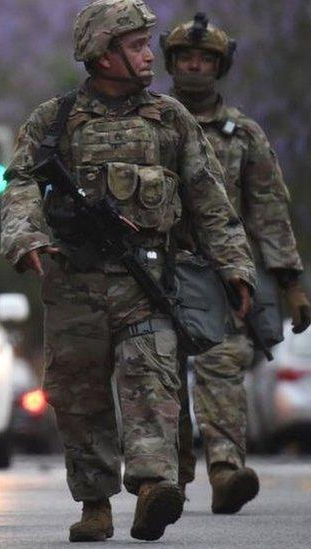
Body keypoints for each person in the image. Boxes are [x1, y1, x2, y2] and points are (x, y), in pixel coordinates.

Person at [0, 0, 256, 542]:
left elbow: (209, 200)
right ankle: (95, 505)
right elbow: (19, 182)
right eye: (136, 45)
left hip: (147, 282)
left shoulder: (170, 119)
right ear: (102, 53)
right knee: (78, 396)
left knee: (151, 381)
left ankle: (152, 489)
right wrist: (27, 237)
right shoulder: (54, 120)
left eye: (146, 43)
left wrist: (235, 267)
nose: (148, 55)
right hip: (73, 285)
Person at [161, 13, 311, 514]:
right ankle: (166, 479)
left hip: (223, 273)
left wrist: (290, 283)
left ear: (220, 67)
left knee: (222, 362)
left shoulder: (242, 133)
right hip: (153, 268)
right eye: (186, 58)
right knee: (157, 369)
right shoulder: (148, 120)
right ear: (171, 63)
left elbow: (268, 210)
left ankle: (226, 469)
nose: (196, 67)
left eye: (206, 59)